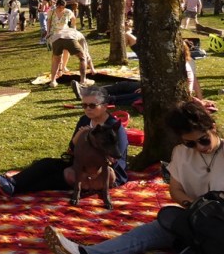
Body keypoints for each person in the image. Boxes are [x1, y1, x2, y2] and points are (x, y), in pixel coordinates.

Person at [45, 99, 222, 254]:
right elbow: (175, 189)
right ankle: (86, 252)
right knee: (148, 232)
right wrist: (192, 206)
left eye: (203, 140)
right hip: (192, 218)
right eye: (190, 143)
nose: (199, 147)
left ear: (212, 128)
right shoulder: (181, 153)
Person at [0, 86, 128, 198]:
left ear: (104, 105)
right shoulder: (85, 121)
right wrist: (77, 139)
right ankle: (11, 183)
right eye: (84, 106)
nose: (87, 109)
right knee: (46, 164)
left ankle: (12, 188)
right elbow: (72, 148)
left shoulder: (114, 127)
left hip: (106, 173)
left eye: (92, 106)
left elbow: (113, 158)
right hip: (81, 163)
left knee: (61, 175)